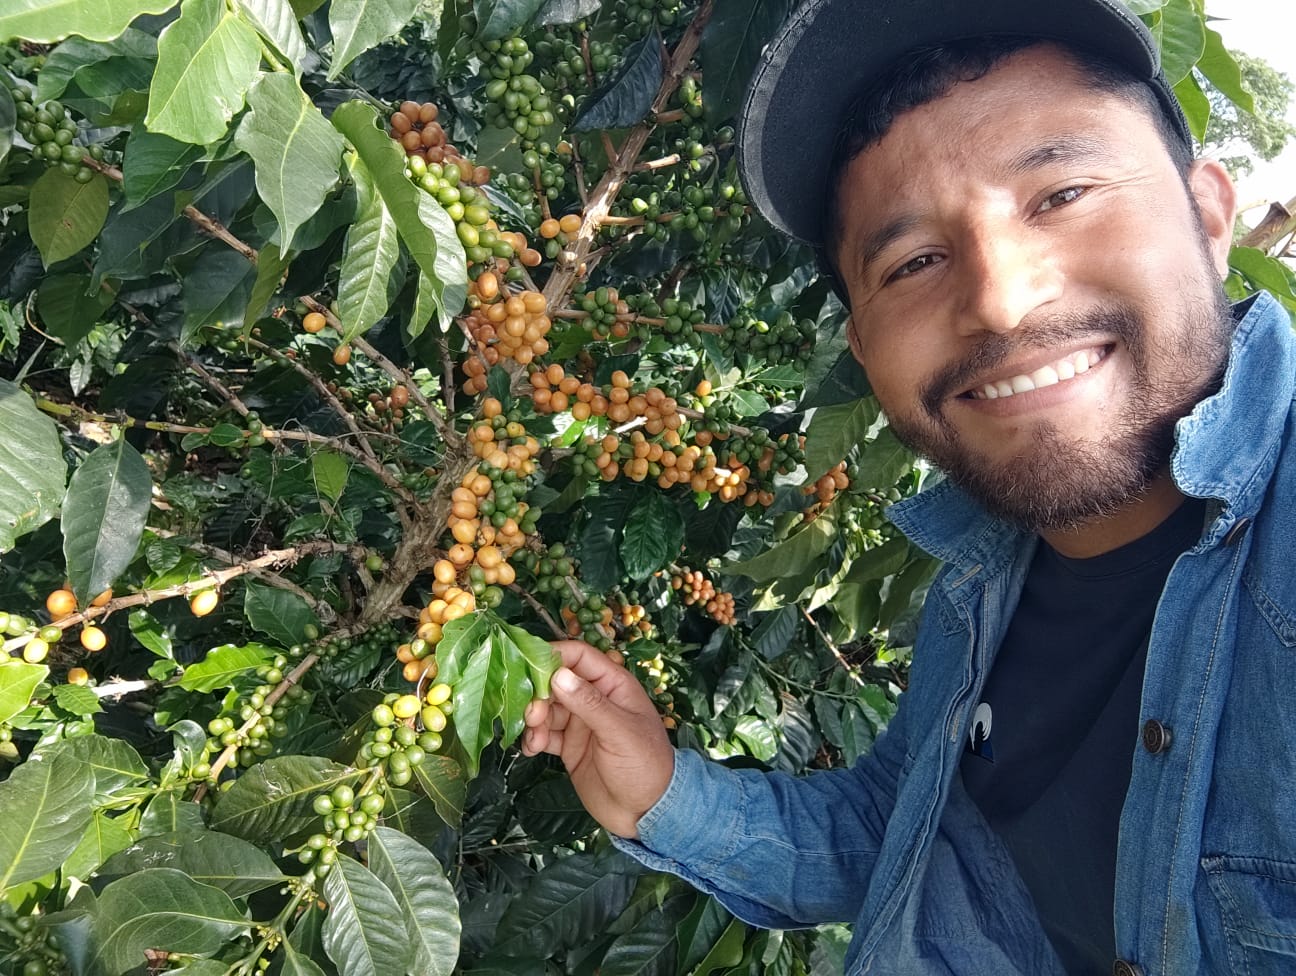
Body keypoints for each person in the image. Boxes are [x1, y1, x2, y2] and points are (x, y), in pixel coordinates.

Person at [523, 0, 1296, 972]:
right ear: (863, 345)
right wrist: (664, 790)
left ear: (1211, 214)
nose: (1000, 298)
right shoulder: (988, 569)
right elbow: (903, 820)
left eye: (1061, 194)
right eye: (914, 260)